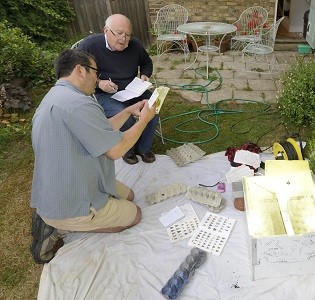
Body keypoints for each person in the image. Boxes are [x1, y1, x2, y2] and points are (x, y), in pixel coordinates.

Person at [30, 49, 156, 264]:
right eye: (96, 72)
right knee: (134, 215)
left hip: (66, 181)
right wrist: (144, 120)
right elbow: (116, 150)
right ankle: (59, 226)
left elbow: (100, 129)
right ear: (80, 70)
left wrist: (128, 111)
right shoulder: (79, 103)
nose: (98, 78)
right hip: (71, 199)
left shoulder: (60, 95)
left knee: (129, 195)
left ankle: (67, 216)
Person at [78, 14, 159, 165]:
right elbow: (79, 73)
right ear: (105, 31)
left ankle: (143, 148)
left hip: (132, 89)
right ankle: (126, 149)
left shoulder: (135, 45)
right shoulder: (89, 45)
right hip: (104, 93)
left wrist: (145, 75)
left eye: (128, 34)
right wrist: (98, 82)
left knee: (153, 107)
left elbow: (146, 62)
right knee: (125, 117)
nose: (124, 39)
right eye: (119, 33)